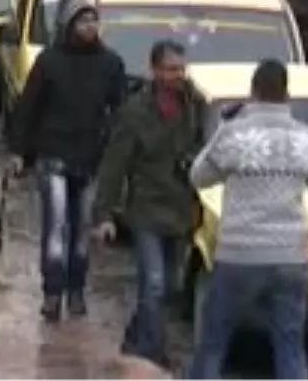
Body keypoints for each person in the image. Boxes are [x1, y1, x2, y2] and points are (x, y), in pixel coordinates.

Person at [183, 59, 308, 381]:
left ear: (253, 90)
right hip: (291, 255)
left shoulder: (234, 134)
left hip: (240, 253)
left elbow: (198, 177)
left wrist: (222, 127)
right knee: (290, 346)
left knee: (214, 341)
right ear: (287, 92)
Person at [9, 0, 126, 322]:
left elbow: (121, 112)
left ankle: (76, 290)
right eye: (82, 20)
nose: (89, 26)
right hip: (53, 156)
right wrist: (19, 152)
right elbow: (27, 108)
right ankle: (52, 292)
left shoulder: (111, 64)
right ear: (70, 25)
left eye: (93, 21)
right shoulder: (49, 61)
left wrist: (116, 151)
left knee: (82, 232)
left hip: (90, 158)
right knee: (56, 227)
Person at [91, 41, 205, 370]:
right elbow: (114, 165)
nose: (177, 75)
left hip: (180, 210)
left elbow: (204, 148)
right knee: (153, 283)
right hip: (146, 211)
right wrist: (104, 214)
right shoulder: (135, 111)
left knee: (169, 287)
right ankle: (153, 353)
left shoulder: (194, 106)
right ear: (155, 70)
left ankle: (134, 338)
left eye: (181, 68)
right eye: (170, 69)